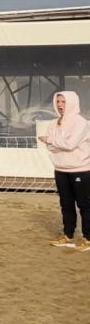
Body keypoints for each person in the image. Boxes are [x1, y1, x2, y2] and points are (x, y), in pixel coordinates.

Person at [39, 91, 90, 251]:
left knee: (84, 205)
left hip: (80, 170)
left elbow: (70, 144)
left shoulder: (81, 123)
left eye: (64, 102)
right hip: (60, 169)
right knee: (66, 204)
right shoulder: (53, 123)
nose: (60, 105)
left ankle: (88, 238)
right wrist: (56, 142)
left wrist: (51, 140)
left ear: (72, 102)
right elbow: (51, 147)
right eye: (58, 101)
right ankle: (68, 235)